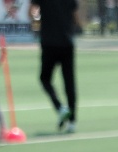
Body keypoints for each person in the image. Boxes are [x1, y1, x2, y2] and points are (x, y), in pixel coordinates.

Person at [30, 0, 81, 133]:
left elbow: (31, 11)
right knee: (69, 83)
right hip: (67, 41)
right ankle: (72, 121)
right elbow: (76, 16)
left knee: (44, 78)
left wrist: (37, 21)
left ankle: (60, 107)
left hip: (49, 42)